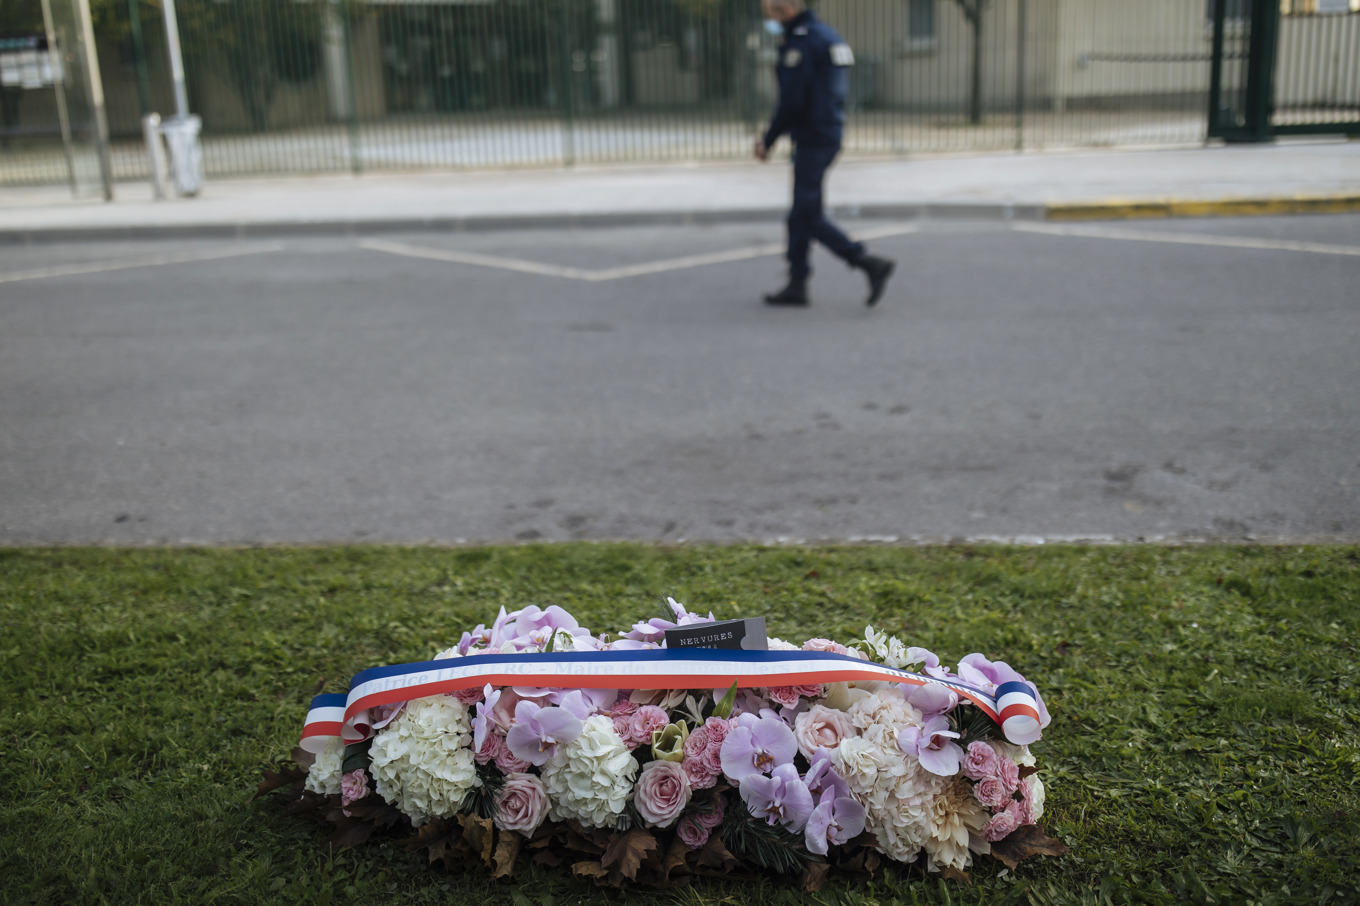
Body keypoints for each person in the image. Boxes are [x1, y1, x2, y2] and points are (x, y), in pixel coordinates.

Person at [755, 0, 895, 308]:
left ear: (786, 10)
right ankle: (797, 282)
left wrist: (768, 139)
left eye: (772, 16)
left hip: (813, 137)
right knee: (800, 213)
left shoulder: (801, 41)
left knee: (807, 214)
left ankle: (866, 262)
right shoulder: (827, 35)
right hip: (827, 132)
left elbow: (791, 101)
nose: (771, 23)